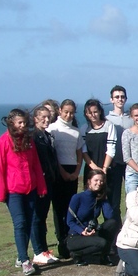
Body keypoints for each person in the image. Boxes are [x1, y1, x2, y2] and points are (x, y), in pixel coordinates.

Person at [0, 108, 49, 275]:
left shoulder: (29, 141)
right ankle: (25, 261)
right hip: (13, 190)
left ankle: (20, 255)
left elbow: (36, 164)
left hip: (30, 188)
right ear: (11, 123)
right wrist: (1, 192)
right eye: (19, 123)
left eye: (24, 122)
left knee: (29, 222)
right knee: (20, 223)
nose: (23, 125)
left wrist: (41, 186)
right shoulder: (2, 142)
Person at [47, 99, 82, 255]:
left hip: (72, 169)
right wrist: (62, 172)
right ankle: (61, 241)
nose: (68, 115)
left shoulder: (76, 131)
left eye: (71, 113)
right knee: (58, 208)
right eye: (66, 112)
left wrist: (76, 172)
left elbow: (79, 153)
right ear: (60, 110)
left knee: (70, 207)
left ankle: (71, 240)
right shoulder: (52, 129)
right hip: (57, 171)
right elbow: (53, 155)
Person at [65, 169, 120, 265]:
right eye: (96, 180)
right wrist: (82, 231)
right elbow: (69, 221)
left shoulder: (99, 198)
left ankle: (104, 257)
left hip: (92, 232)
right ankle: (77, 254)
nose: (99, 183)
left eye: (101, 181)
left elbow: (109, 216)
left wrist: (104, 197)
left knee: (112, 223)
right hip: (76, 236)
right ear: (89, 181)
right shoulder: (78, 197)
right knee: (102, 243)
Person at [80, 99, 119, 222]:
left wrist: (104, 169)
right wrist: (94, 168)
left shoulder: (109, 126)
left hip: (108, 169)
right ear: (86, 114)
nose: (93, 115)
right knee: (90, 204)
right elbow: (83, 151)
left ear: (100, 111)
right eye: (89, 113)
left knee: (111, 204)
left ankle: (112, 230)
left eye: (95, 112)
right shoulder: (84, 129)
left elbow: (111, 149)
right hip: (90, 170)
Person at [31, 105, 60, 265]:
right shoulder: (34, 137)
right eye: (43, 117)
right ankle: (38, 251)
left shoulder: (47, 136)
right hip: (39, 182)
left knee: (42, 217)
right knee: (37, 217)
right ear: (35, 118)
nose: (47, 120)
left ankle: (44, 250)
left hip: (49, 180)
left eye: (49, 117)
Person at [106, 85, 134, 214]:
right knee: (114, 198)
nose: (120, 99)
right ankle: (114, 224)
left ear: (126, 99)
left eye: (122, 97)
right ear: (111, 99)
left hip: (130, 163)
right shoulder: (107, 120)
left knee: (132, 197)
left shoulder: (132, 119)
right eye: (116, 97)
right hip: (114, 163)